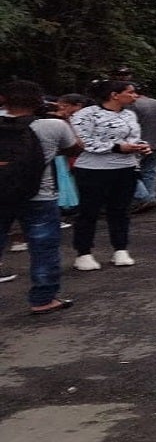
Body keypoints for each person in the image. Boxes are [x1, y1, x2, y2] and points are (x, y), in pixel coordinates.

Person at [0, 80, 80, 314]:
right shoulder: (53, 125)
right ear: (39, 101)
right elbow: (76, 148)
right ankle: (43, 299)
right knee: (43, 247)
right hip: (39, 194)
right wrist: (63, 121)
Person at [70, 79, 152, 270]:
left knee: (121, 210)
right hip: (93, 169)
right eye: (130, 92)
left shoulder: (130, 114)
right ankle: (84, 252)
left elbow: (131, 138)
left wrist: (140, 146)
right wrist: (116, 147)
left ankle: (120, 249)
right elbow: (84, 141)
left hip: (126, 167)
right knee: (89, 211)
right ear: (114, 95)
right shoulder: (86, 114)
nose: (135, 96)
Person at [129, 88, 156, 214]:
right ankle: (150, 197)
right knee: (150, 171)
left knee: (130, 172)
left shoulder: (131, 106)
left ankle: (142, 197)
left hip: (139, 143)